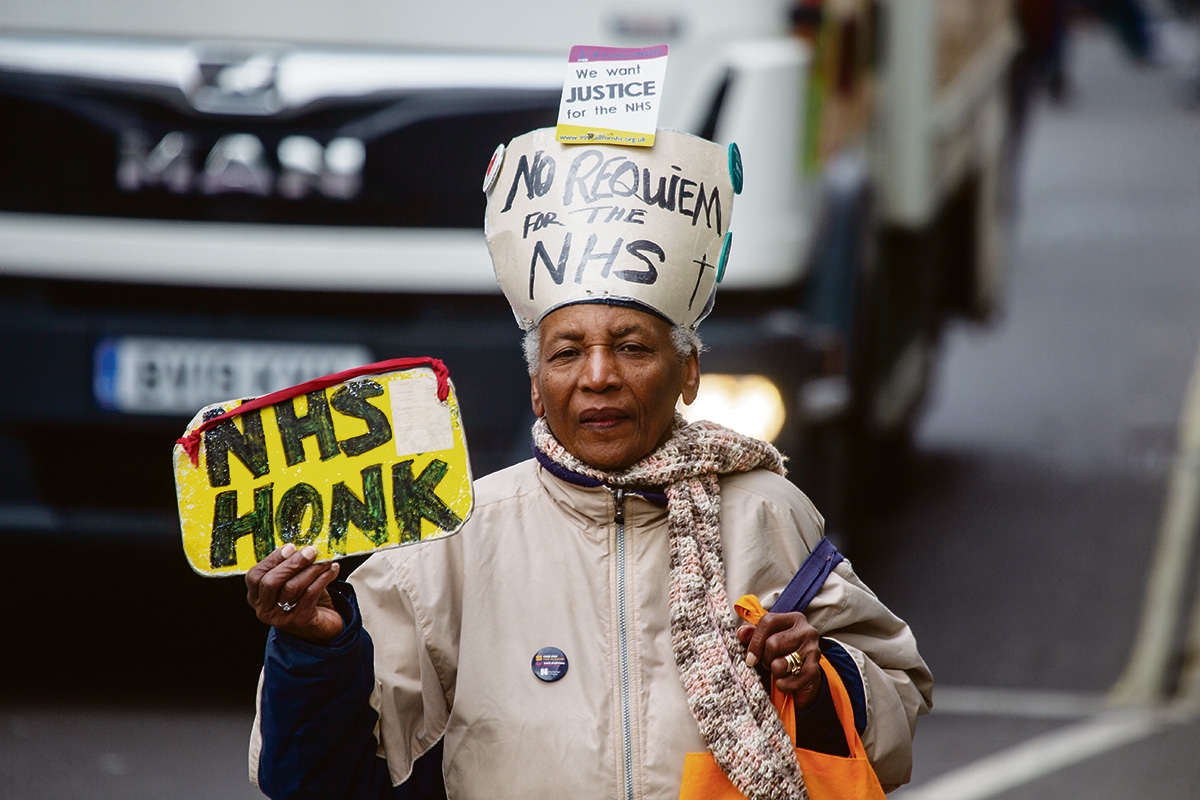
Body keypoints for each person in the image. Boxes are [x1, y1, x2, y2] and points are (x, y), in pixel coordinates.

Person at [245, 127, 932, 800]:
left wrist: (821, 682)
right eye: (568, 352)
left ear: (688, 373)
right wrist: (315, 654)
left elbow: (897, 708)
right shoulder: (458, 538)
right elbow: (311, 782)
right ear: (536, 388)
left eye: (633, 346)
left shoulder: (765, 512)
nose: (599, 376)